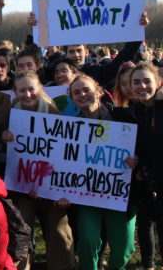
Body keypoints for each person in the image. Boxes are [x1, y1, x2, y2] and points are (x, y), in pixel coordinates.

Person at [2, 71, 76, 270]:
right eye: (22, 90)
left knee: (59, 231)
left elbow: (65, 155)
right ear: (15, 92)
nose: (27, 94)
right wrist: (4, 137)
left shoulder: (54, 114)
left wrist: (55, 189)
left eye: (31, 89)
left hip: (51, 188)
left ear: (39, 89)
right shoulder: (10, 113)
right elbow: (2, 150)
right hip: (23, 187)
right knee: (20, 231)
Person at [67, 74, 138, 270]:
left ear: (98, 91)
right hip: (88, 197)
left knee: (124, 247)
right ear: (72, 98)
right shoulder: (69, 129)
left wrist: (136, 160)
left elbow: (144, 147)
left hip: (120, 197)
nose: (82, 95)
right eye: (76, 92)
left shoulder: (124, 118)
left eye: (86, 89)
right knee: (88, 243)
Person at [129, 62, 163, 270]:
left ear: (158, 83)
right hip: (153, 182)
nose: (142, 86)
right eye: (136, 82)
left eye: (146, 81)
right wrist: (139, 162)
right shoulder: (138, 110)